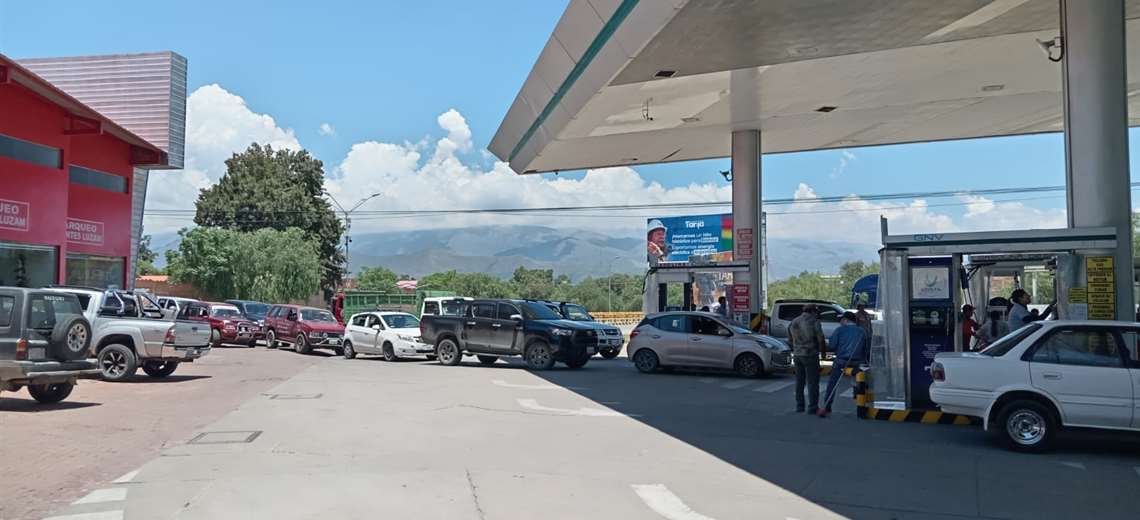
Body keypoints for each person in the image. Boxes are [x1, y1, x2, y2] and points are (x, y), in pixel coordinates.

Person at [819, 312, 866, 418]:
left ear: (845, 320)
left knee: (833, 382)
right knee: (859, 381)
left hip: (841, 361)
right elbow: (866, 348)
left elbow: (832, 345)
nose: (840, 322)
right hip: (857, 361)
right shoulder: (861, 331)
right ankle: (859, 403)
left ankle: (827, 405)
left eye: (841, 320)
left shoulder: (839, 330)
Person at [788, 304, 827, 414]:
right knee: (812, 382)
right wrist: (823, 353)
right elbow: (821, 339)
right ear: (813, 311)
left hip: (797, 355)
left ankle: (799, 406)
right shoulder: (814, 321)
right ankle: (812, 407)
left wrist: (796, 348)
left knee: (799, 382)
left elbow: (789, 339)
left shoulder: (794, 321)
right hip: (811, 354)